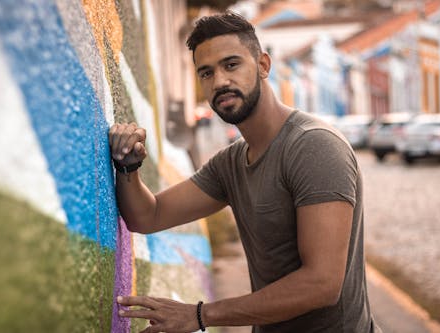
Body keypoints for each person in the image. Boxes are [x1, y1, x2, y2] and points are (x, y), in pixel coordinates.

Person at [109, 11, 379, 333]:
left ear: (263, 65)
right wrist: (128, 164)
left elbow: (321, 284)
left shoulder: (314, 147)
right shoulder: (231, 164)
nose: (220, 81)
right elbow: (147, 216)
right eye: (206, 73)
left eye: (232, 65)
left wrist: (199, 315)